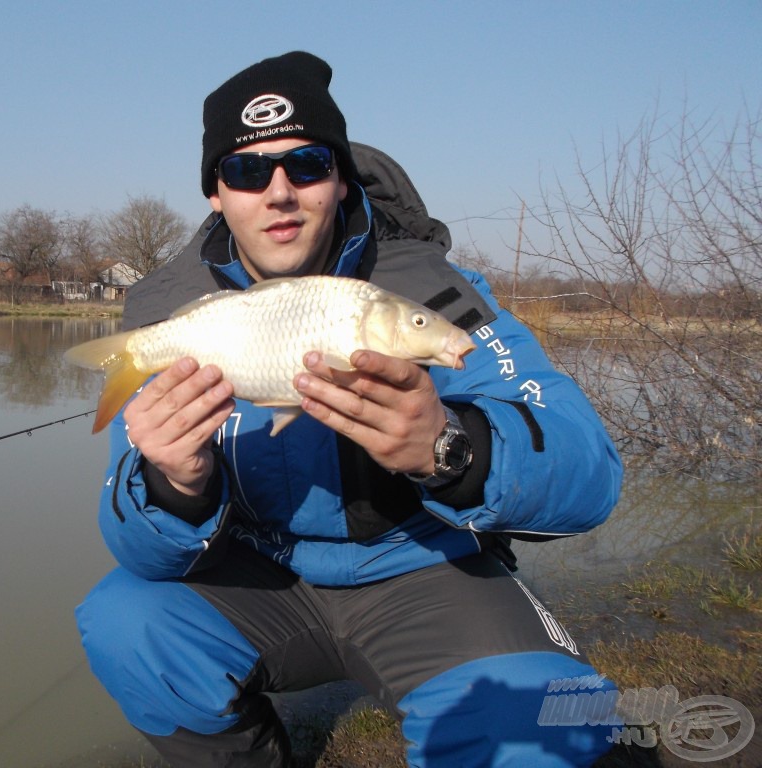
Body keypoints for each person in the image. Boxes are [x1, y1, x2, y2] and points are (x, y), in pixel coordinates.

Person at [76, 51, 623, 767]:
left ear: (338, 178)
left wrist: (448, 448)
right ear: (216, 193)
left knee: (543, 721)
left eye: (305, 165)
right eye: (246, 171)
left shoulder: (435, 292)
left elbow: (590, 477)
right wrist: (172, 486)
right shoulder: (166, 318)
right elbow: (135, 548)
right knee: (124, 622)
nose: (278, 192)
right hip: (264, 577)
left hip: (429, 572)